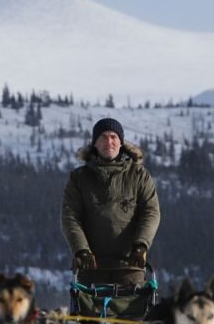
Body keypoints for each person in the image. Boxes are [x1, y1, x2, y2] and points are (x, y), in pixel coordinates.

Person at [61, 118, 160, 287]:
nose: (109, 142)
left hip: (130, 266)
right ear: (95, 144)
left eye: (113, 137)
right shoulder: (79, 178)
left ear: (121, 142)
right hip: (90, 267)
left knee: (132, 312)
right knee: (88, 313)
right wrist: (81, 250)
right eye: (103, 137)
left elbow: (151, 213)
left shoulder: (139, 175)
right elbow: (70, 216)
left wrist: (141, 245)